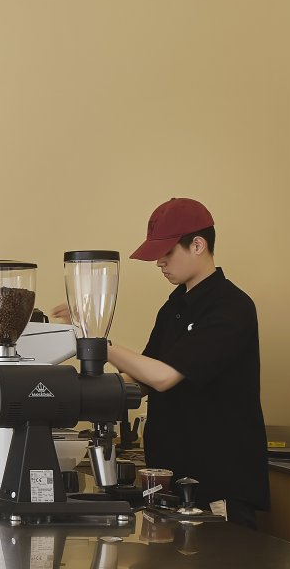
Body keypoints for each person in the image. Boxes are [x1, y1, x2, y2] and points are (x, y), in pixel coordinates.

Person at [102, 197, 269, 529]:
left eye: (167, 252)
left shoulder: (231, 307)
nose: (160, 262)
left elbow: (163, 376)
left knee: (221, 563)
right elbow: (143, 377)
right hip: (172, 481)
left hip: (218, 486)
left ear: (197, 245)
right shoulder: (173, 308)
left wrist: (97, 344)